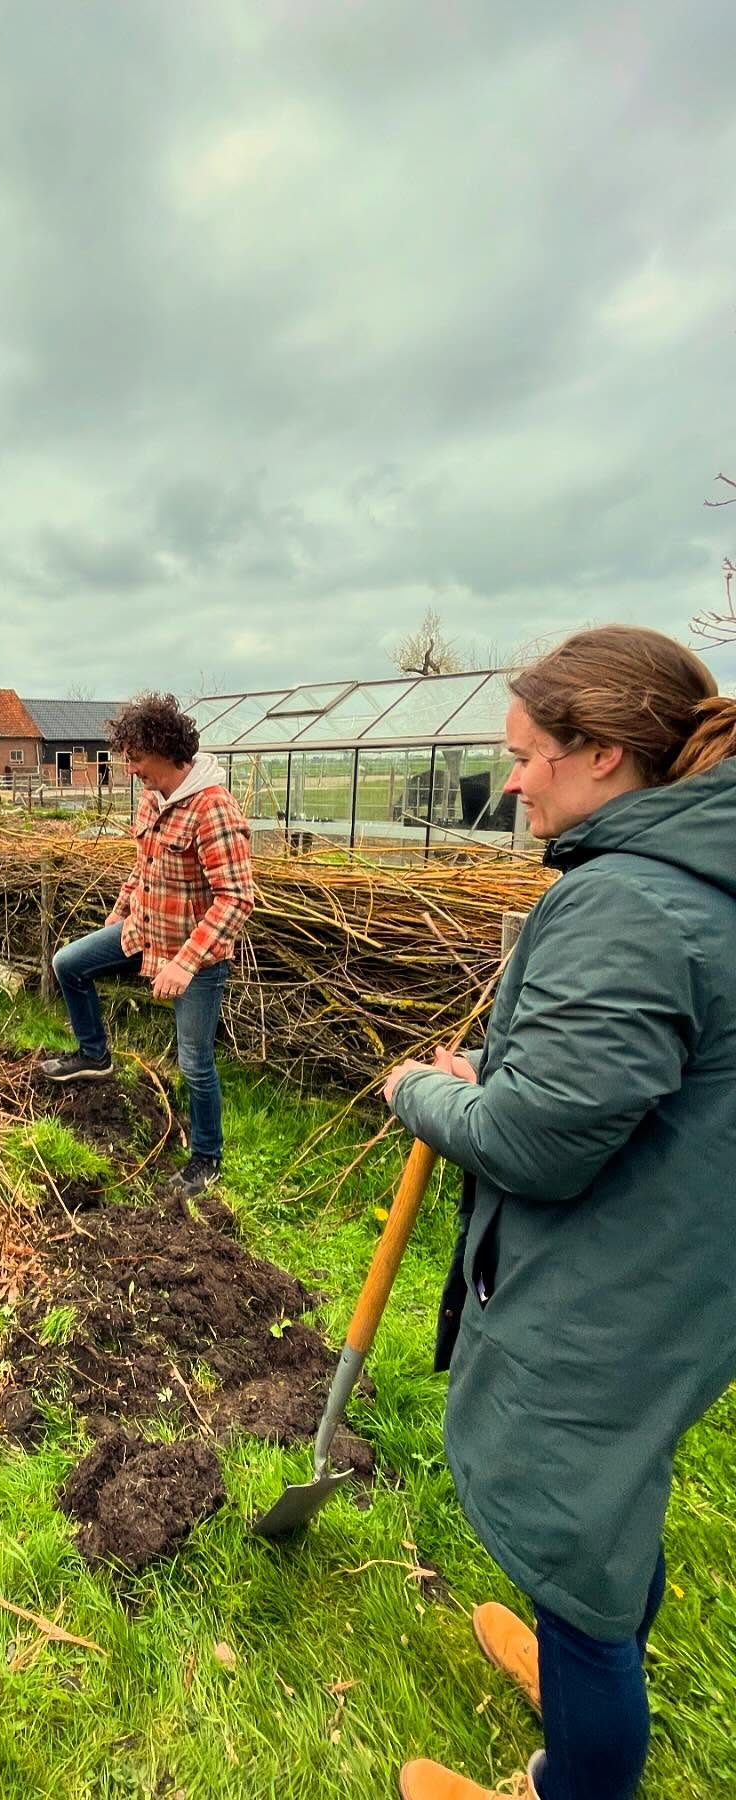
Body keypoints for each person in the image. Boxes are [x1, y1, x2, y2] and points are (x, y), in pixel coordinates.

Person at [382, 626, 736, 1800]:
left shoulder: (629, 903)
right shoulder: (695, 880)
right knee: (616, 1499)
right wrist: (511, 1073)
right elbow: (629, 1078)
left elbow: (540, 1146)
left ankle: (576, 1766)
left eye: (529, 755)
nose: (514, 780)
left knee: (574, 1536)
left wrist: (423, 1092)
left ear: (605, 756)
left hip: (608, 1294)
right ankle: (586, 1669)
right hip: (679, 1264)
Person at [38, 692, 254, 1201]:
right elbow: (143, 868)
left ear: (163, 749)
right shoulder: (152, 800)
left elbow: (237, 898)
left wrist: (186, 962)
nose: (131, 769)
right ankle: (94, 1055)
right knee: (68, 963)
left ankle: (207, 1157)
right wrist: (117, 915)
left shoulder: (212, 809)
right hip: (143, 933)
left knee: (194, 1060)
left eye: (136, 758)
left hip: (194, 955)